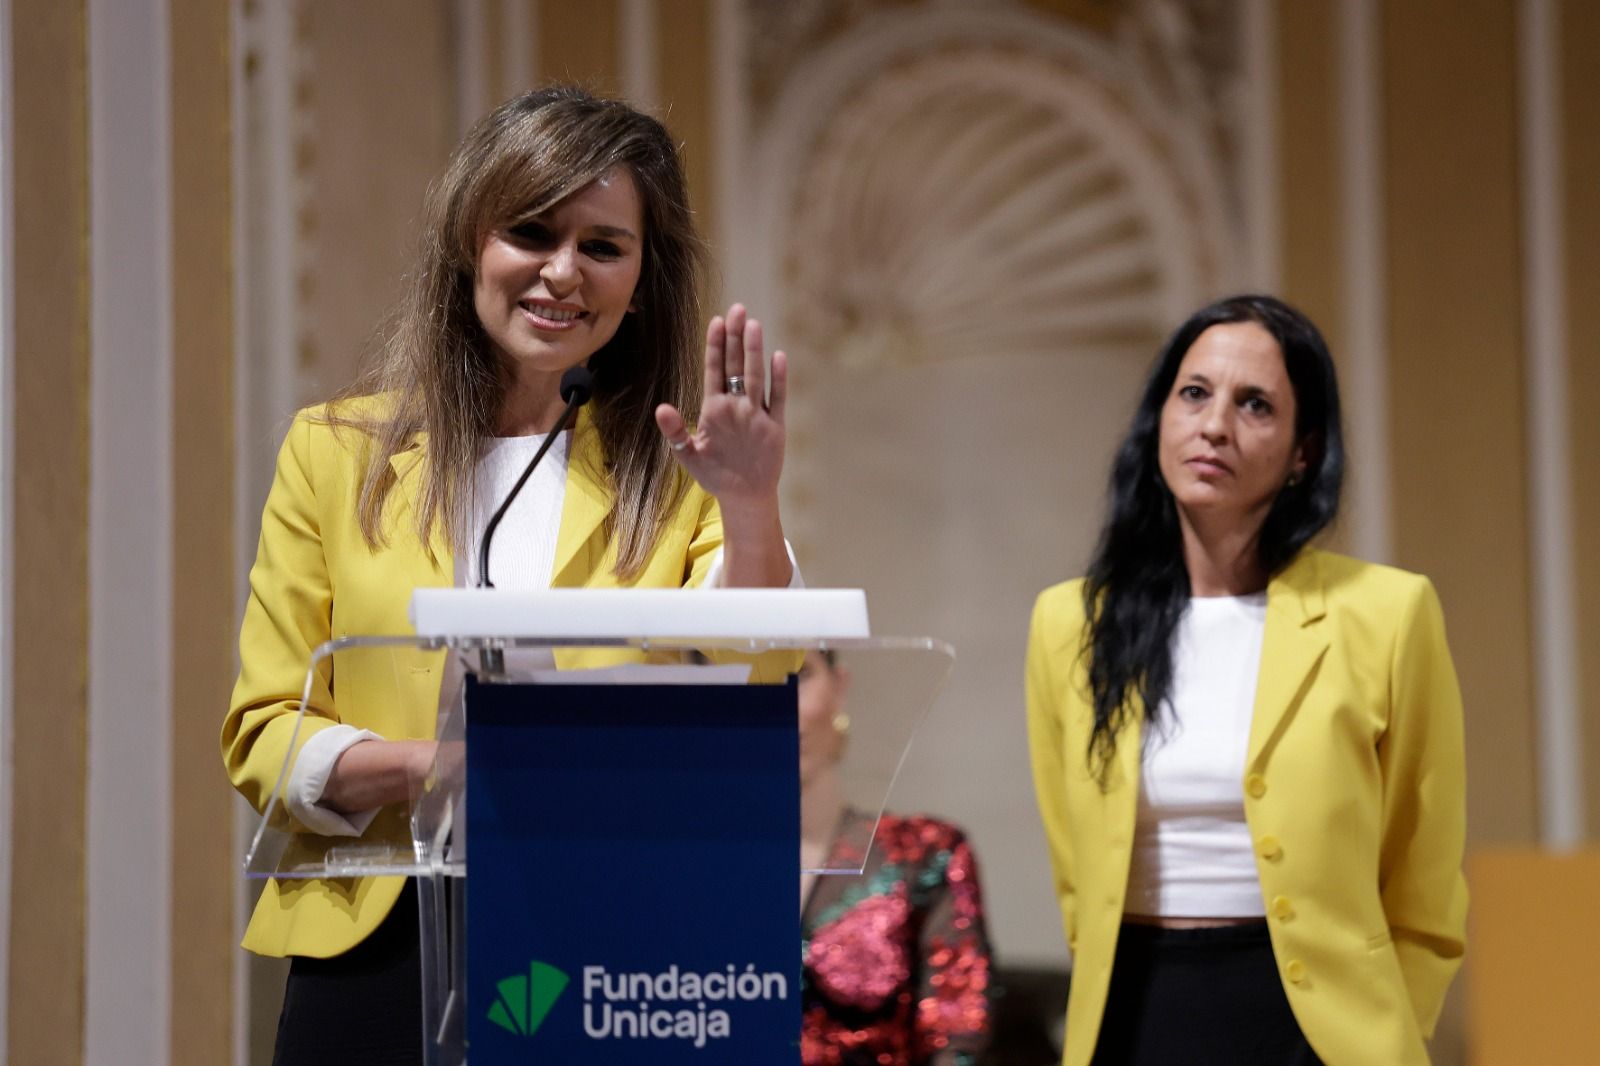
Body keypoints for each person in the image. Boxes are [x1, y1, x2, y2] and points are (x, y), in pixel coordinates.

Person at [222, 86, 798, 1065]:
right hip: (377, 942)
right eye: (530, 231)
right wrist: (432, 769)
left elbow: (753, 671)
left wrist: (748, 506)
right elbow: (264, 730)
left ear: (641, 276)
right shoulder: (331, 452)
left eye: (603, 246)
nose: (561, 273)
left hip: (611, 933)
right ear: (470, 242)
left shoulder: (682, 462)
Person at [1025, 295, 1467, 1065]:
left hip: (1320, 1030)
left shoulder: (1388, 613)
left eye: (1254, 404)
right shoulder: (1070, 623)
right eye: (1193, 394)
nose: (1215, 425)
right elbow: (1075, 869)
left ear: (1304, 451)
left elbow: (1425, 885)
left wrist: (1392, 1031)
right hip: (1135, 1015)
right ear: (1159, 418)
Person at [797, 651, 994, 1065]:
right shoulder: (683, 868)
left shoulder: (923, 854)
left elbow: (957, 1036)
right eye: (747, 677)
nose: (776, 703)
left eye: (798, 674)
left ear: (838, 685)